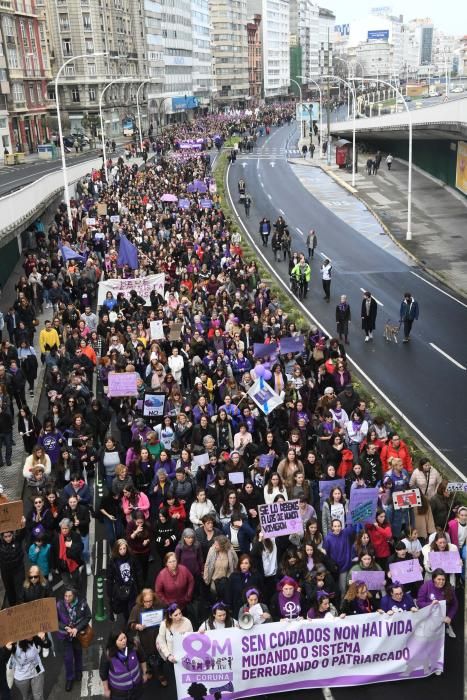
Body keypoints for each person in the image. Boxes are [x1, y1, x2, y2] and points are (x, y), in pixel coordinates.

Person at [128, 588, 167, 686]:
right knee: (146, 655)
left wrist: (165, 620)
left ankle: (161, 674)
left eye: (150, 601)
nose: (148, 603)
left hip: (158, 636)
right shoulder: (136, 609)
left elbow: (166, 614)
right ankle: (148, 670)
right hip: (144, 637)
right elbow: (130, 624)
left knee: (160, 656)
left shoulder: (159, 605)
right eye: (146, 601)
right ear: (142, 600)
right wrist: (137, 626)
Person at [56, 587, 92, 691]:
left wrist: (77, 628)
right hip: (65, 635)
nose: (67, 598)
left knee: (78, 653)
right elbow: (55, 620)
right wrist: (65, 627)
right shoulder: (59, 605)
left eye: (69, 596)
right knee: (68, 658)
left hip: (78, 634)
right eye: (65, 596)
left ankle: (78, 671)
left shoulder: (82, 603)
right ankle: (69, 678)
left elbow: (88, 616)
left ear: (74, 595)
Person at [99, 630, 148, 699]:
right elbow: (103, 674)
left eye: (124, 638)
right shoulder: (108, 654)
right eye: (120, 640)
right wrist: (106, 689)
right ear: (114, 642)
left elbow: (142, 658)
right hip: (119, 693)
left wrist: (145, 673)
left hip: (136, 688)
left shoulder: (134, 645)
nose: (124, 641)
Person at [5, 634, 49, 700]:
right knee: (26, 696)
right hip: (22, 676)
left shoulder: (35, 637)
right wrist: (6, 650)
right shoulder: (13, 643)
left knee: (38, 695)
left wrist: (44, 639)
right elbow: (4, 658)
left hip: (36, 671)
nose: (32, 634)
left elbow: (47, 645)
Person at [417, 568, 458, 638]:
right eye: (439, 579)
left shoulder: (449, 587)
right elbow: (419, 603)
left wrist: (449, 616)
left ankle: (447, 627)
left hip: (443, 617)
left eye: (443, 579)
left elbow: (454, 604)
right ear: (433, 579)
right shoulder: (426, 586)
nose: (441, 582)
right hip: (429, 616)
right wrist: (430, 604)